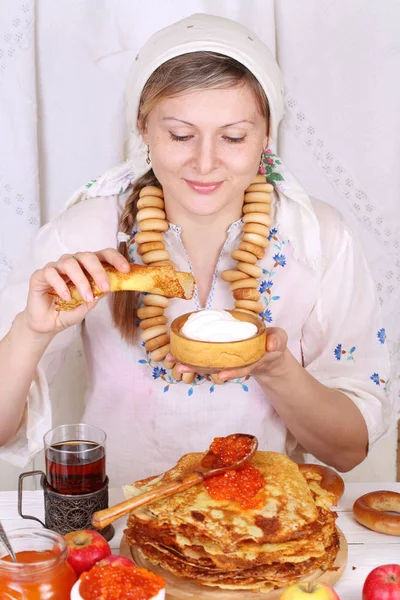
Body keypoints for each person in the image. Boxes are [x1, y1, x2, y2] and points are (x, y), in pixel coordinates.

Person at [0, 14, 392, 486]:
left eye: (233, 137)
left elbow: (348, 450)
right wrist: (30, 328)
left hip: (261, 533)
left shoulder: (319, 239)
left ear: (267, 134)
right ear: (143, 130)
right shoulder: (84, 234)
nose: (205, 163)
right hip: (117, 540)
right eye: (181, 135)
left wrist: (275, 368)